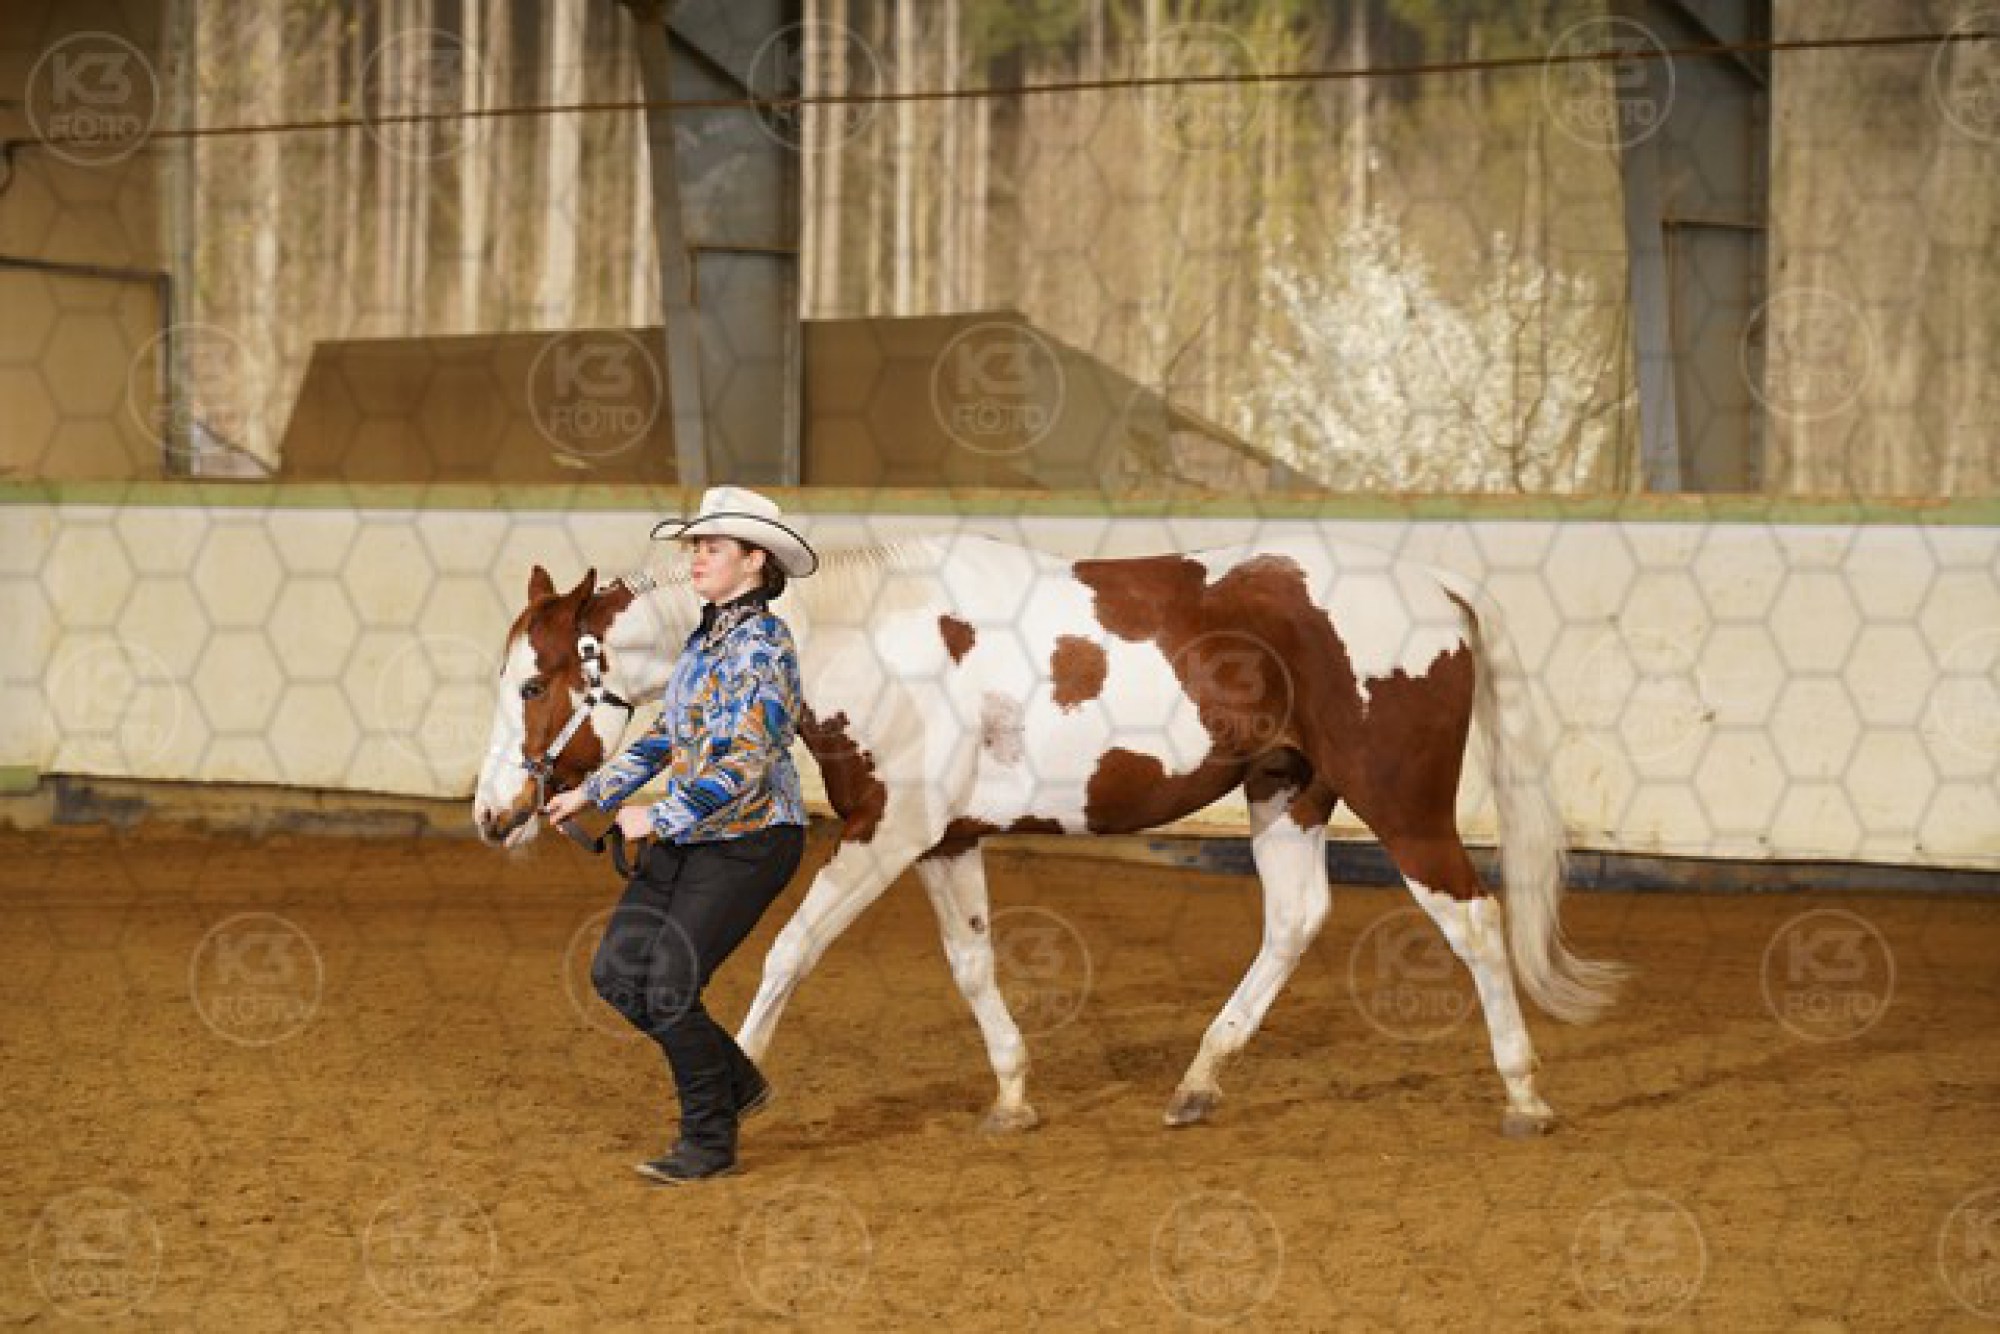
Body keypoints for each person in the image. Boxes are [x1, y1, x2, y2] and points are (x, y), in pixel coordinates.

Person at [543, 485, 818, 1184]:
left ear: (754, 560)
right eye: (695, 545)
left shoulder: (766, 648)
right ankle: (736, 1081)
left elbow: (747, 764)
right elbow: (668, 734)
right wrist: (595, 792)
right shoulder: (705, 639)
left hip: (753, 840)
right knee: (616, 974)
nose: (696, 557)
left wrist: (655, 816)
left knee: (667, 985)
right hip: (695, 834)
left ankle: (709, 1139)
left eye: (712, 547)